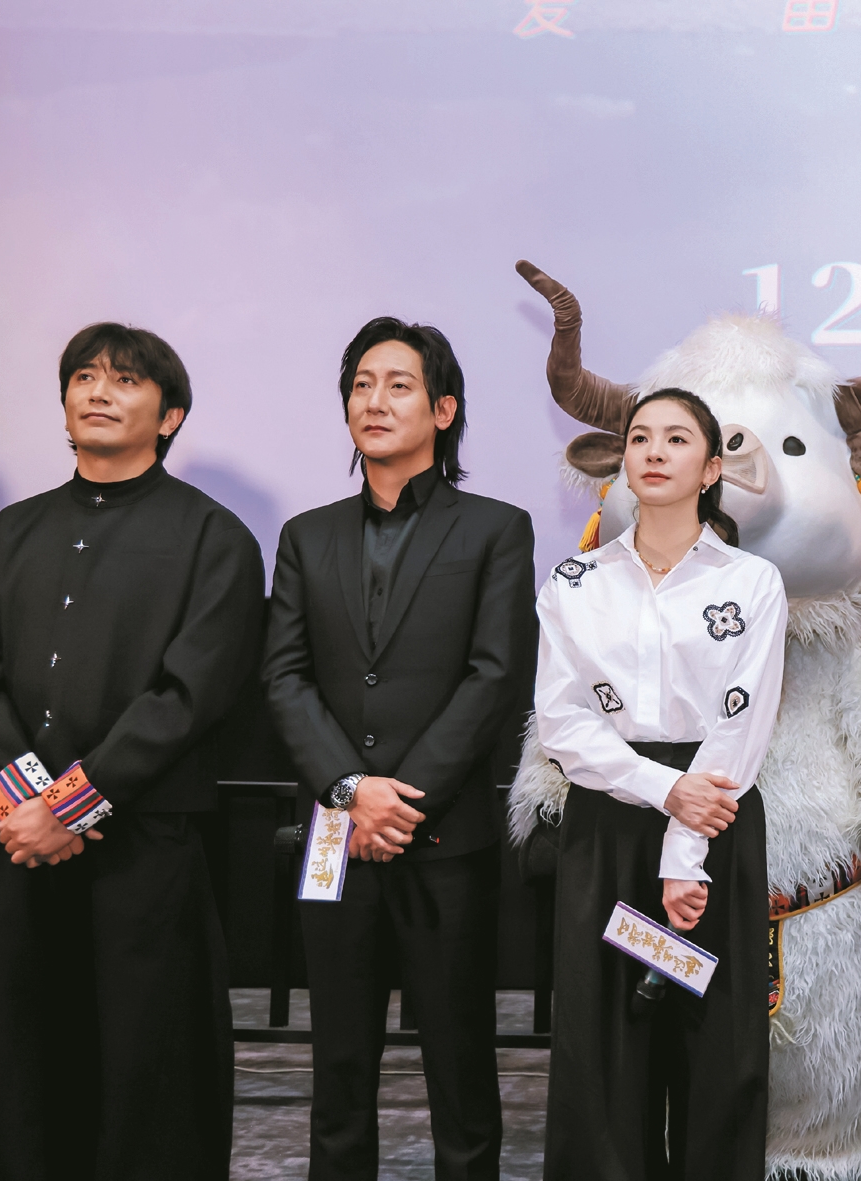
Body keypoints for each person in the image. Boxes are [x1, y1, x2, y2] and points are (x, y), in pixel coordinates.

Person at [0, 322, 264, 1179]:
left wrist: (70, 805)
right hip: (18, 844)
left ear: (171, 415)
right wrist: (27, 805)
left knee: (146, 1073)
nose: (98, 391)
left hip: (144, 847)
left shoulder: (215, 538)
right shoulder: (10, 532)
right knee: (18, 1066)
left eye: (125, 380)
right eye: (84, 376)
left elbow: (190, 695)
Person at [261, 317, 537, 1181]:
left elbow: (495, 676)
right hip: (336, 832)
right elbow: (284, 676)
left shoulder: (496, 529)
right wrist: (351, 789)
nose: (374, 401)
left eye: (398, 384)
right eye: (361, 384)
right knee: (338, 1064)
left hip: (442, 833)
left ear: (443, 409)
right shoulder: (306, 535)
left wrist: (399, 797)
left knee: (460, 1064)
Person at [525, 387, 787, 1181]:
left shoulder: (752, 581)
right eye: (640, 437)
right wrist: (661, 788)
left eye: (677, 439)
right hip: (609, 822)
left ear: (711, 469)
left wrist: (683, 850)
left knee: (717, 1050)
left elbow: (742, 722)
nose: (654, 451)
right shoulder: (576, 580)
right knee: (602, 1047)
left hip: (716, 821)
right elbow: (562, 722)